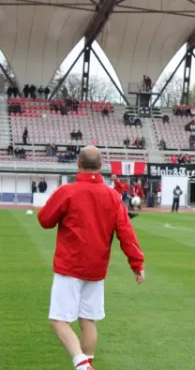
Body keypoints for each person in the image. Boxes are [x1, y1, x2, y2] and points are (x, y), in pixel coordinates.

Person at [38, 146, 145, 370]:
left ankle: (82, 365)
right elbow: (126, 232)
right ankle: (87, 365)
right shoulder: (112, 195)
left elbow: (45, 220)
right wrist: (137, 263)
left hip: (70, 265)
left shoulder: (67, 191)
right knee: (88, 320)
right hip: (96, 268)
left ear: (79, 164)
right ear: (101, 166)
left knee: (58, 319)